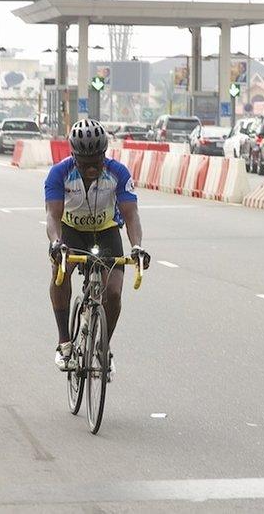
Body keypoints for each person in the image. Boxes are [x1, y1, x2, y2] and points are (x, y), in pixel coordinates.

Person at [44, 119, 150, 374]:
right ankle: (64, 343)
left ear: (105, 153)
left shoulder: (118, 173)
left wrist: (136, 247)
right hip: (71, 233)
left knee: (113, 293)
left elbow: (131, 214)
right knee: (60, 274)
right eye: (85, 163)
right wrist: (56, 243)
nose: (92, 168)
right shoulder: (58, 173)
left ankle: (103, 347)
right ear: (73, 156)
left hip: (106, 233)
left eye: (97, 161)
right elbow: (52, 215)